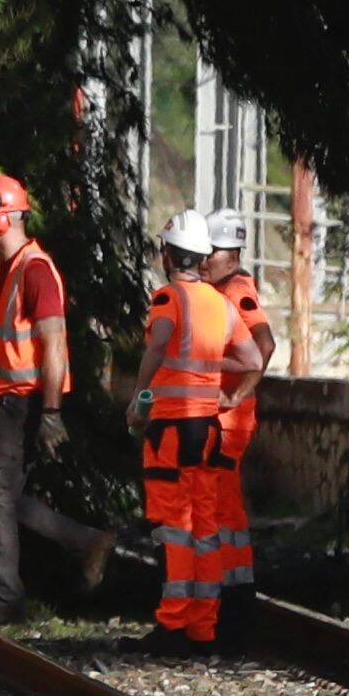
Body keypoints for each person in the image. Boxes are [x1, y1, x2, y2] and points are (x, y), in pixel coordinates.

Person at [0, 174, 114, 621]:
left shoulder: (35, 271)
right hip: (8, 399)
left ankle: (7, 599)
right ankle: (87, 540)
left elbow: (54, 346)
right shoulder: (4, 270)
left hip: (25, 402)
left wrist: (51, 412)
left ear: (0, 216)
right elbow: (2, 348)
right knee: (3, 493)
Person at [140, 211, 258, 644]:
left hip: (171, 429)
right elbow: (253, 360)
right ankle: (203, 627)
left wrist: (140, 398)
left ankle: (172, 622)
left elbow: (156, 351)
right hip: (208, 427)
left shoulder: (168, 299)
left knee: (175, 526)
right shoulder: (220, 303)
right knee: (204, 526)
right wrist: (212, 371)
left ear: (167, 253)